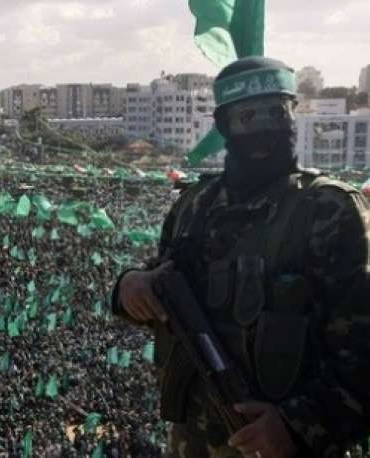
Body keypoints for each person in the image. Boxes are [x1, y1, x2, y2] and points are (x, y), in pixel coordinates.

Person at [112, 56, 370, 457]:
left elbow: (363, 354)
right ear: (223, 126)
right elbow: (161, 291)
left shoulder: (329, 209)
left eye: (277, 113)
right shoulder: (194, 206)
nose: (265, 128)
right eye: (248, 117)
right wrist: (128, 286)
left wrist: (297, 425)